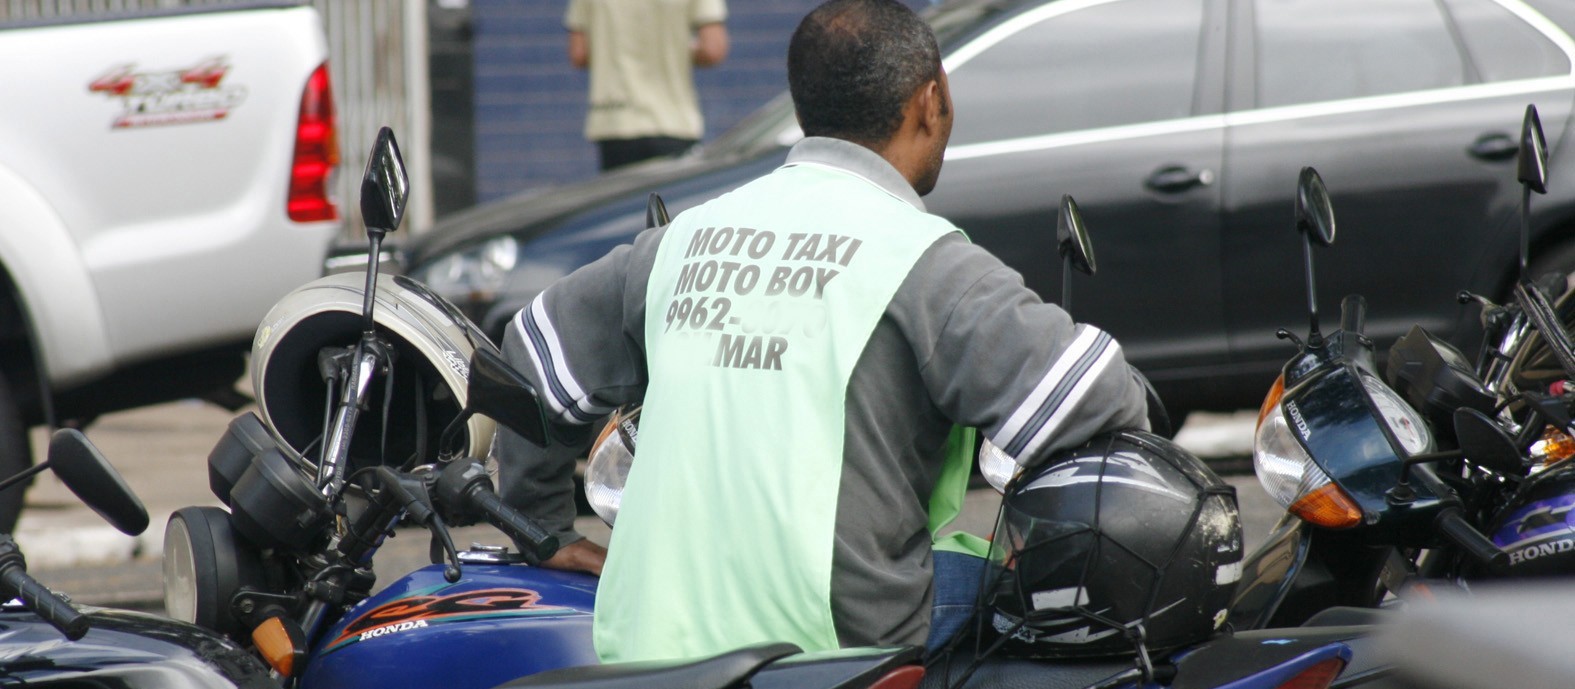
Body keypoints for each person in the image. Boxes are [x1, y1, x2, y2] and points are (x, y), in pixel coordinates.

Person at [497, 0, 1149, 663]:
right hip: (834, 638)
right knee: (1019, 592)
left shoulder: (678, 242)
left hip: (649, 629)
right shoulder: (924, 261)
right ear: (931, 101)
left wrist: (542, 530)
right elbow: (1098, 395)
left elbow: (531, 353)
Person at [565, 0, 729, 171]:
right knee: (676, 196)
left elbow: (579, 53)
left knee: (624, 197)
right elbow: (712, 50)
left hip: (615, 119)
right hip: (673, 119)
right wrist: (675, 50)